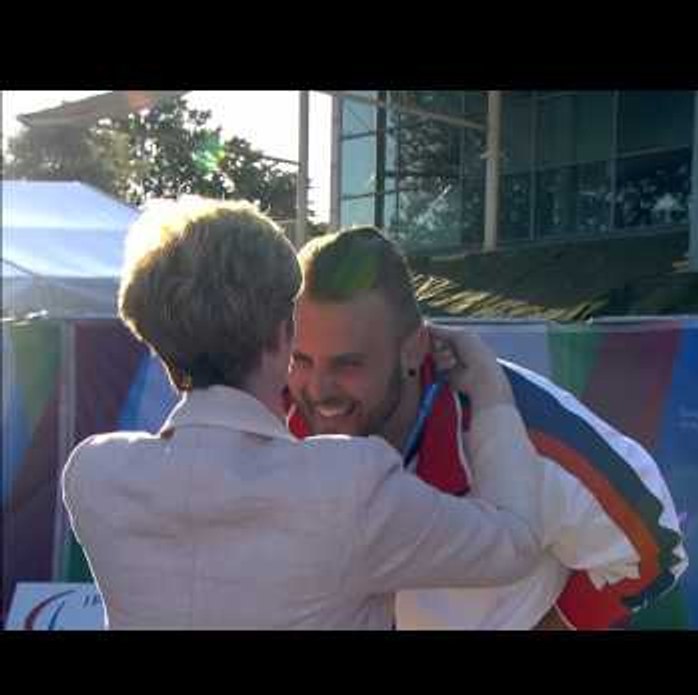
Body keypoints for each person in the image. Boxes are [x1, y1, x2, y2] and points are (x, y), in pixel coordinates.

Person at [60, 198, 549, 630]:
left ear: (156, 341)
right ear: (283, 336)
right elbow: (516, 542)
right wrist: (491, 393)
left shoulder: (94, 475)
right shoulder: (347, 486)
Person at [286, 226, 688, 630]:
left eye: (347, 363)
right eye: (300, 359)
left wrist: (554, 625)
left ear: (413, 348)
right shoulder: (271, 419)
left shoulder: (533, 431)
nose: (318, 391)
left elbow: (654, 548)